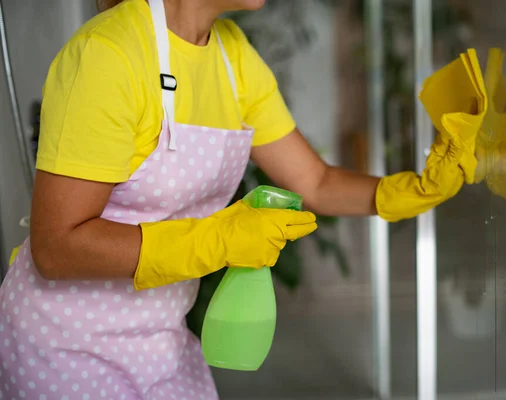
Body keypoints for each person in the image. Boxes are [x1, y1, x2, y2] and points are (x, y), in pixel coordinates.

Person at [0, 0, 477, 398]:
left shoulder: (233, 58)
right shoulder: (108, 56)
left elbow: (315, 182)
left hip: (162, 340)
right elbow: (56, 247)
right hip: (64, 347)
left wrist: (414, 189)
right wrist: (218, 238)